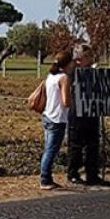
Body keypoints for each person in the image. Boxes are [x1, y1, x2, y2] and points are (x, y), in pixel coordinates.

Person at [67, 44, 110, 186]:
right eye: (88, 56)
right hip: (77, 113)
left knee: (93, 144)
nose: (91, 59)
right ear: (81, 58)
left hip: (92, 112)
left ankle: (92, 174)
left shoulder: (94, 72)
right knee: (76, 145)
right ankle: (73, 173)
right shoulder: (71, 73)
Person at [39, 51, 74, 190]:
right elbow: (66, 101)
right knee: (51, 150)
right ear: (67, 64)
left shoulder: (50, 77)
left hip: (48, 115)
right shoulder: (64, 78)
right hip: (58, 118)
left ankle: (46, 177)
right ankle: (45, 179)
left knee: (48, 148)